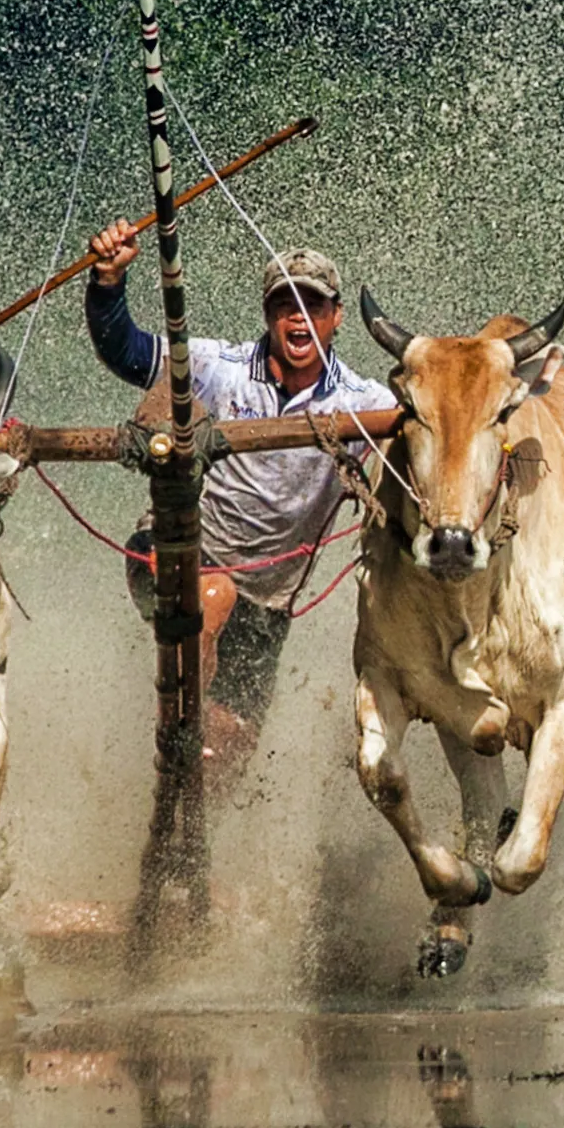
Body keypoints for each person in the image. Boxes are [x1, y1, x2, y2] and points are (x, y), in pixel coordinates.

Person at [83, 223, 396, 778]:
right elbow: (128, 352)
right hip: (173, 554)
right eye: (285, 305)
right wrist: (108, 283)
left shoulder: (365, 402)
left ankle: (185, 852)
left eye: (314, 305)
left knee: (229, 754)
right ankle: (175, 731)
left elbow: (430, 428)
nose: (299, 317)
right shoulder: (216, 368)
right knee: (214, 593)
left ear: (337, 316)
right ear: (268, 315)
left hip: (268, 600)